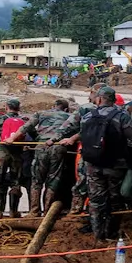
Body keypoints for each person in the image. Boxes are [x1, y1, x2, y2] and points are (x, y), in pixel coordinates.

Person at [73, 87, 132, 242]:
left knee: (96, 200)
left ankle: (98, 236)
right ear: (114, 100)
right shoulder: (121, 116)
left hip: (92, 164)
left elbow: (83, 137)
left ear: (98, 99)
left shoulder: (87, 116)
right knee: (115, 200)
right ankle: (111, 234)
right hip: (115, 165)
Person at [6, 99, 71, 217]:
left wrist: (12, 138)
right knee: (53, 180)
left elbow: (26, 126)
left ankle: (34, 211)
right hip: (58, 147)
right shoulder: (69, 116)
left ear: (53, 106)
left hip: (41, 146)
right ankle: (47, 212)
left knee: (36, 180)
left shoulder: (42, 113)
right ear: (66, 109)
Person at [50, 83, 106, 214]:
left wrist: (53, 139)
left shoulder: (86, 109)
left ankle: (76, 211)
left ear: (95, 95)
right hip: (108, 153)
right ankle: (95, 212)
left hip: (87, 151)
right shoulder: (117, 110)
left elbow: (67, 126)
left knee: (82, 180)